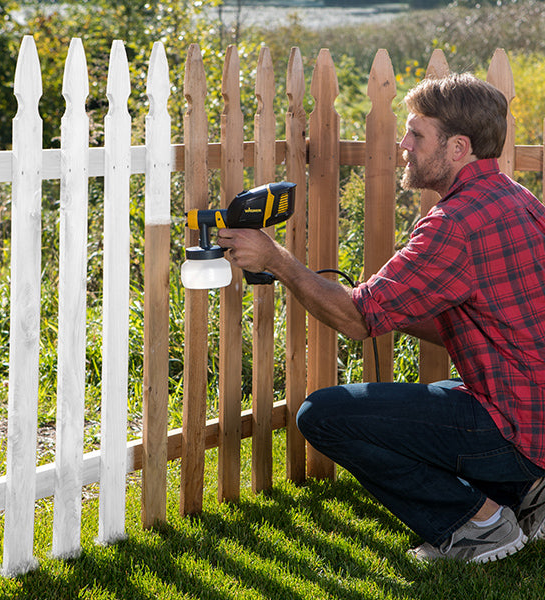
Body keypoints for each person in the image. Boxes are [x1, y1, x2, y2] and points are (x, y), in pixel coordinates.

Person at [217, 73, 545, 563]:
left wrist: (277, 261)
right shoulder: (518, 200)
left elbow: (355, 320)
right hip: (532, 411)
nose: (403, 144)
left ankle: (478, 526)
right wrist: (396, 306)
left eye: (417, 134)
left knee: (324, 416)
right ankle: (530, 493)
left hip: (513, 428)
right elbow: (492, 320)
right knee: (441, 397)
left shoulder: (454, 223)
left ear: (458, 147)